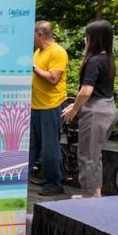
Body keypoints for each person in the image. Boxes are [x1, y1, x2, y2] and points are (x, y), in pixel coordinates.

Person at [62, 20, 118, 199]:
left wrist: (74, 110)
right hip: (107, 108)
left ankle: (87, 196)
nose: (85, 40)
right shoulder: (108, 58)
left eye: (87, 36)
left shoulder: (94, 61)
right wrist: (75, 104)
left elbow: (86, 91)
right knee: (95, 155)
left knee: (87, 155)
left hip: (96, 112)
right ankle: (95, 194)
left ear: (93, 39)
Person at [30, 21, 69, 196]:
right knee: (33, 145)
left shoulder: (58, 52)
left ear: (40, 34)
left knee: (49, 147)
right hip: (36, 105)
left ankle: (55, 183)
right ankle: (25, 178)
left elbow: (53, 78)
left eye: (32, 35)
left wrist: (33, 68)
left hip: (51, 105)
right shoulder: (38, 52)